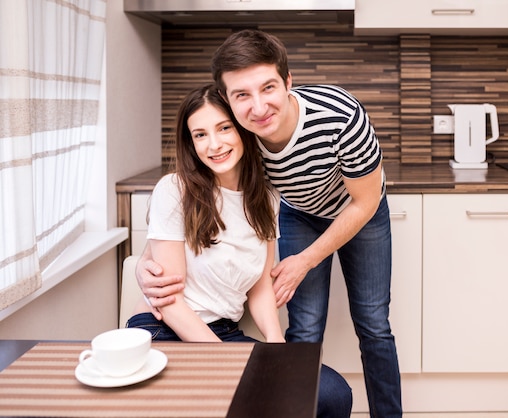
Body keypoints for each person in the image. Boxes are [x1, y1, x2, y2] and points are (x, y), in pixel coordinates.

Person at [137, 29, 401, 417]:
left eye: (268, 88)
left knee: (374, 324)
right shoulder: (238, 139)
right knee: (306, 324)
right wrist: (144, 263)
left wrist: (306, 260)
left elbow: (364, 201)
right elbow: (182, 210)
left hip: (359, 207)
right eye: (242, 96)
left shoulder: (339, 117)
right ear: (228, 100)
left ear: (288, 82)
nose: (258, 108)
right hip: (295, 209)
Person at [127, 83, 352, 418]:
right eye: (200, 135)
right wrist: (224, 362)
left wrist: (278, 348)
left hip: (224, 332)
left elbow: (260, 290)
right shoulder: (175, 190)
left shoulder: (266, 198)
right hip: (165, 332)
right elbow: (170, 301)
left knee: (332, 394)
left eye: (223, 128)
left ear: (243, 130)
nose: (214, 144)